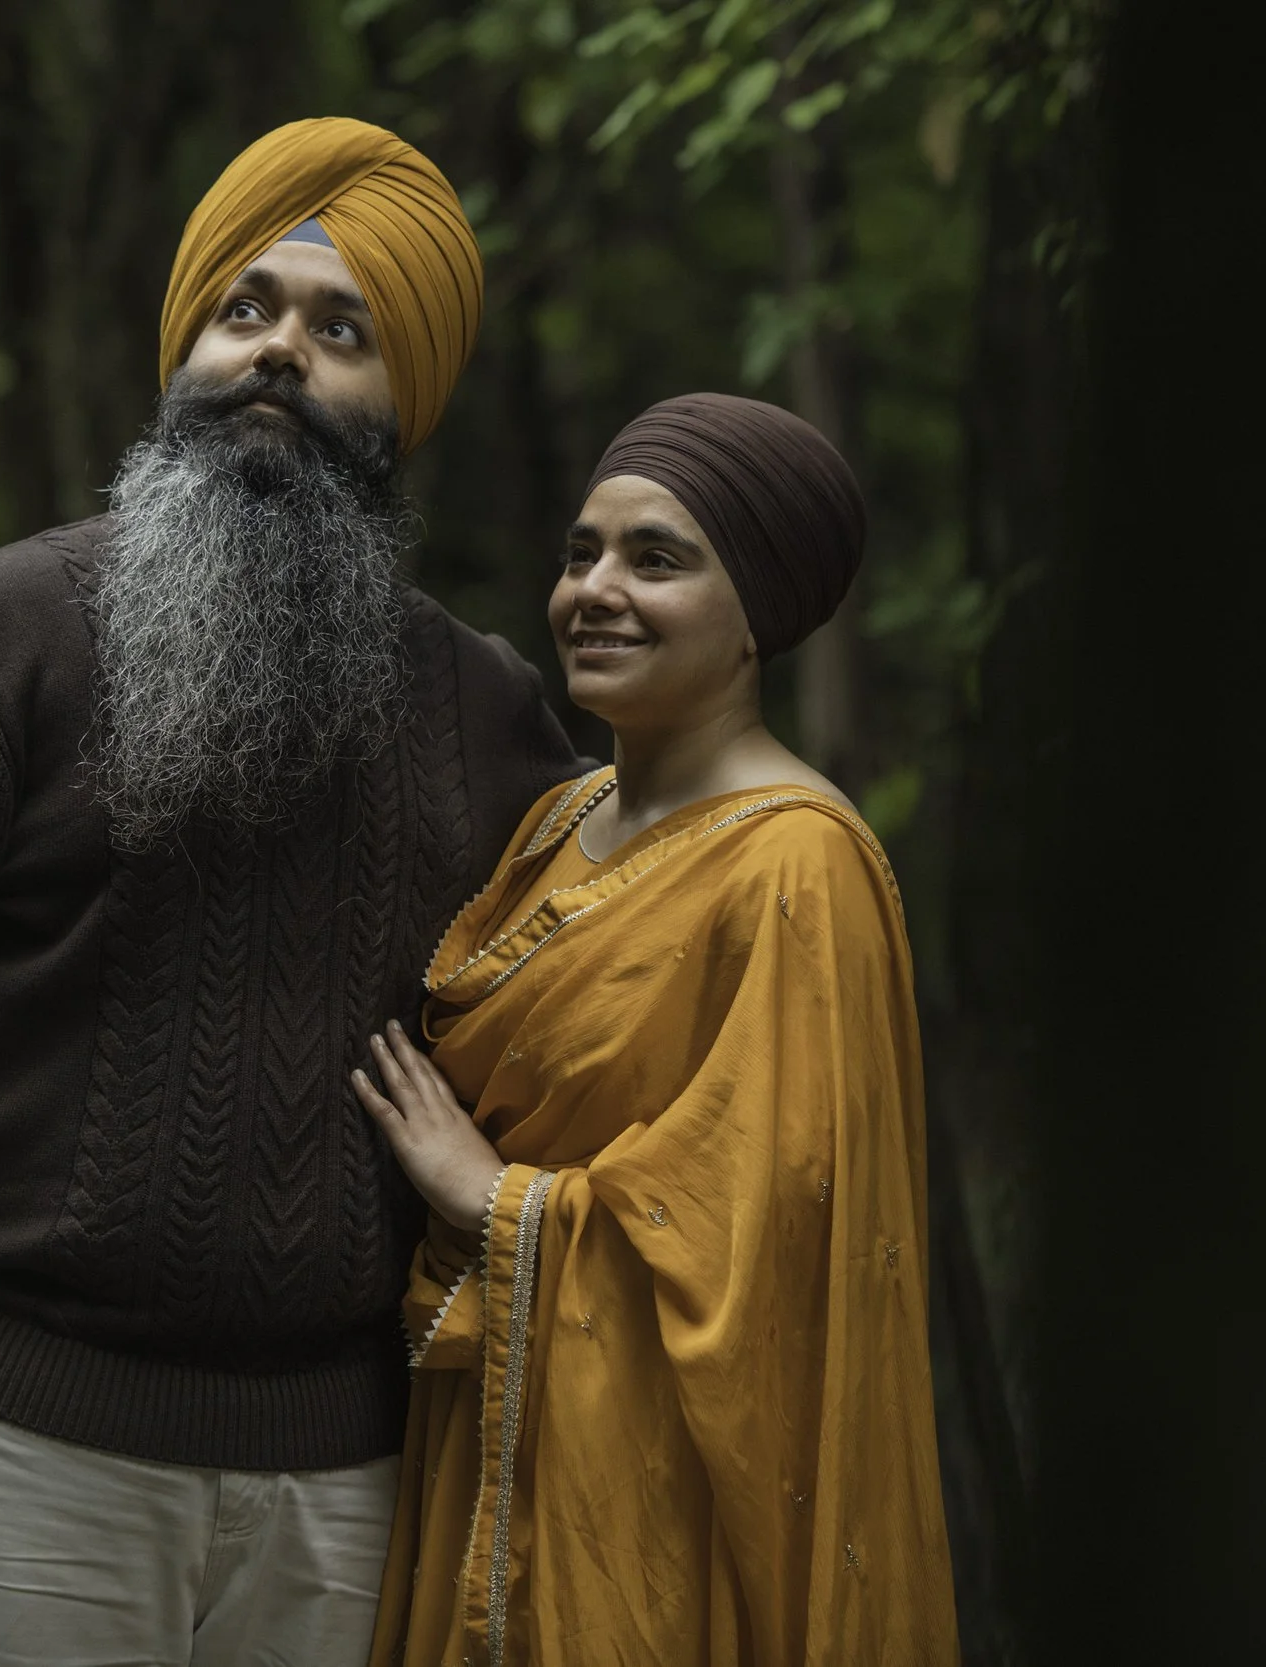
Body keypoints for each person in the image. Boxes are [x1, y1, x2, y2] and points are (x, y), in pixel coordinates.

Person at [0, 116, 582, 1666]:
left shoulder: (492, 715)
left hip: (355, 1488)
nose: (281, 355)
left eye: (344, 331)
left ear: (410, 403)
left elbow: (586, 1023)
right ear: (183, 345)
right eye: (244, 309)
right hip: (15, 1458)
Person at [352, 394, 960, 1666]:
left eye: (657, 559)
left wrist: (498, 1196)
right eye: (583, 552)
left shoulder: (798, 865)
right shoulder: (555, 823)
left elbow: (770, 1243)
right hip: (489, 1442)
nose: (597, 589)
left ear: (759, 619)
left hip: (672, 1502)